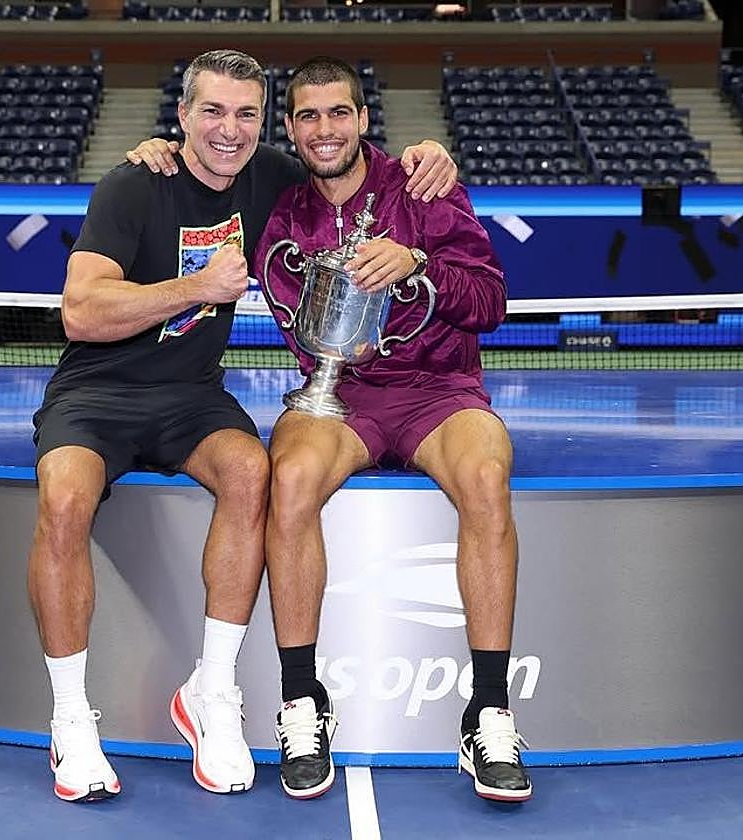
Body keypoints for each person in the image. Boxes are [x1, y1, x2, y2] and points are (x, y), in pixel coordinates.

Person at [30, 49, 457, 803]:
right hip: (97, 392)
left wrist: (427, 155)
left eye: (246, 114)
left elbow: (350, 166)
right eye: (212, 112)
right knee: (64, 497)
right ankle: (69, 718)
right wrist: (197, 286)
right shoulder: (135, 184)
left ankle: (212, 691)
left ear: (265, 124)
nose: (229, 130)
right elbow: (81, 311)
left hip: (191, 395)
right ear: (182, 115)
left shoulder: (271, 180)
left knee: (251, 471)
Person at [254, 57, 532, 802]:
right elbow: (306, 330)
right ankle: (301, 699)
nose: (324, 129)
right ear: (291, 129)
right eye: (308, 116)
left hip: (440, 390)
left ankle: (489, 711)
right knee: (289, 479)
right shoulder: (283, 219)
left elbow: (491, 301)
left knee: (486, 476)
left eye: (337, 113)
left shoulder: (423, 186)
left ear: (363, 118)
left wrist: (417, 266)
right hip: (343, 396)